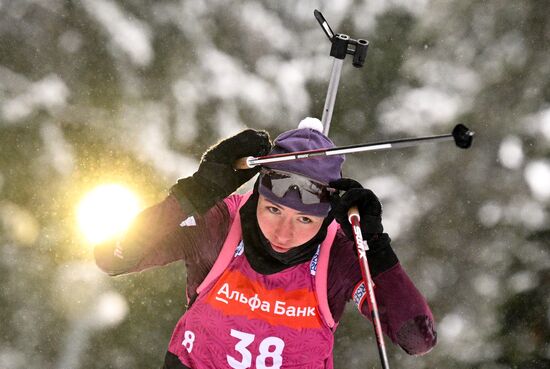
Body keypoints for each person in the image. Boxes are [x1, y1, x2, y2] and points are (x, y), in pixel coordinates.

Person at [94, 118, 437, 369]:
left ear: (326, 216)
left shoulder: (338, 254)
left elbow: (416, 338)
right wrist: (190, 196)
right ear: (258, 194)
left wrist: (374, 248)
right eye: (273, 209)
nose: (283, 233)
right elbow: (114, 256)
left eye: (305, 219)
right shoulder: (219, 225)